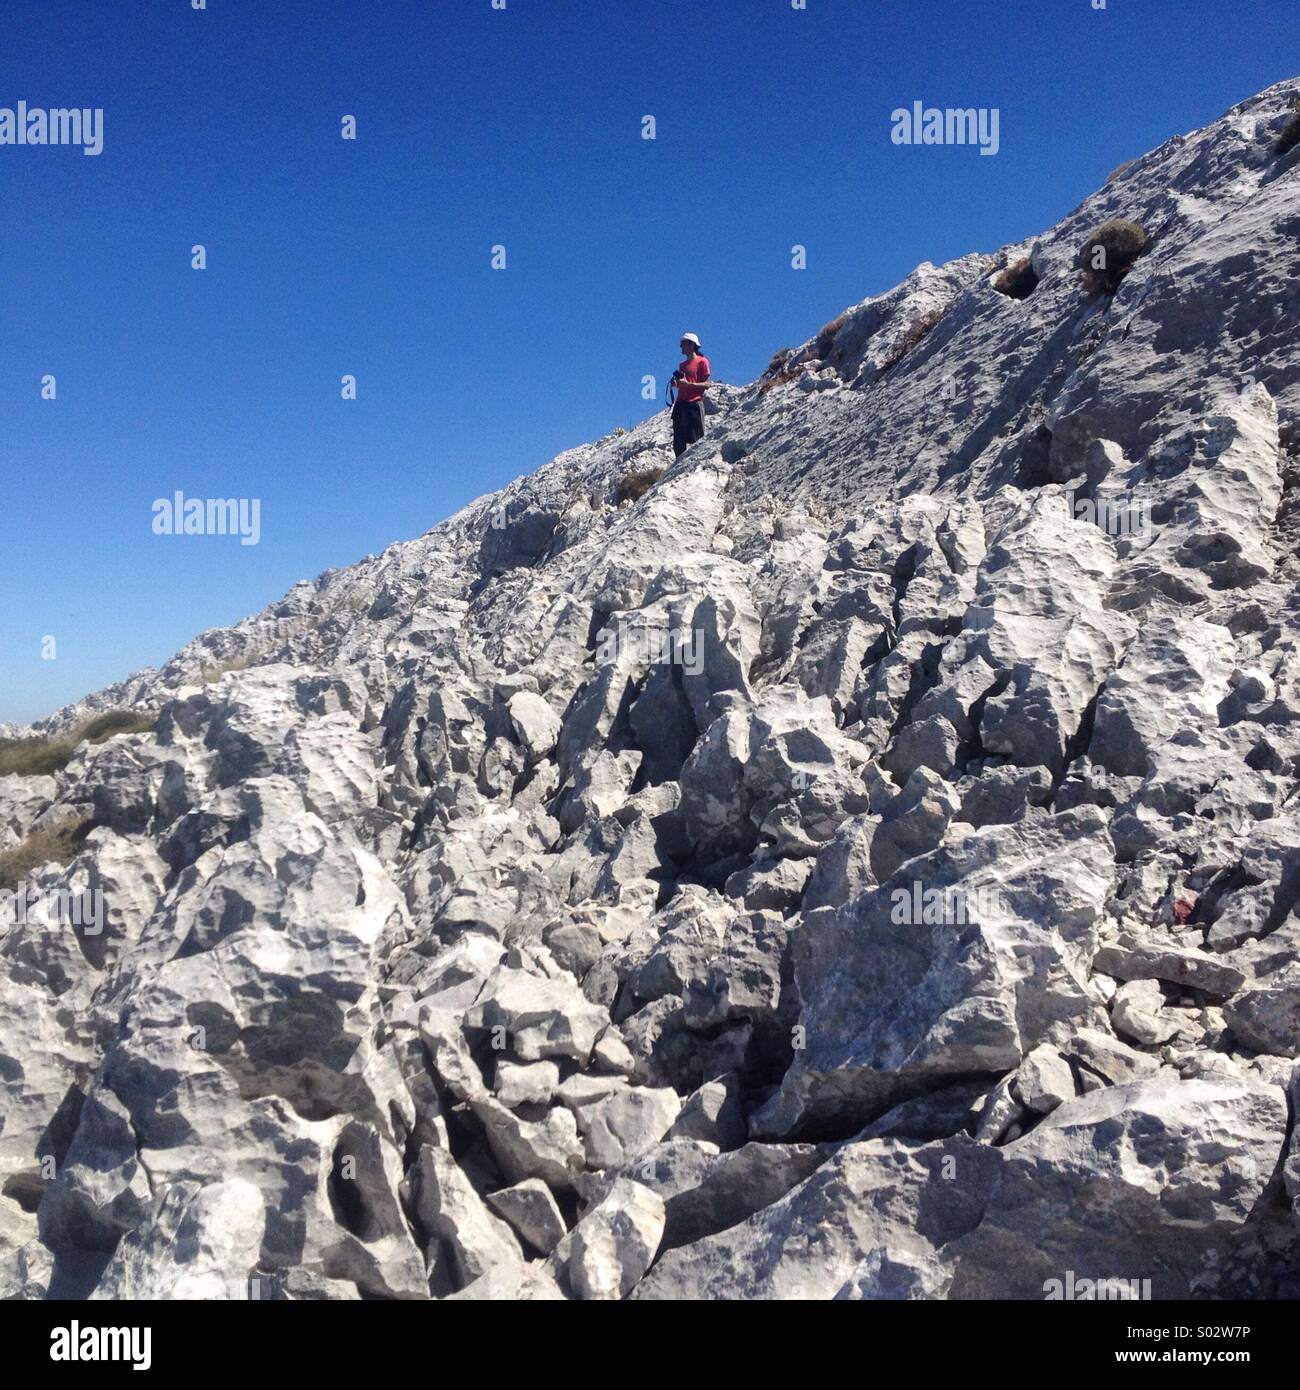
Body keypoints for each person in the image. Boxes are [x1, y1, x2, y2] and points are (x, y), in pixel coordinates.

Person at [671, 333, 710, 459]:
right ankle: (679, 464)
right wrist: (677, 384)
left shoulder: (702, 362)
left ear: (691, 345)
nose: (680, 346)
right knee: (678, 440)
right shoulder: (682, 365)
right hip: (680, 404)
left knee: (697, 438)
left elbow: (707, 384)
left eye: (683, 343)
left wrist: (689, 384)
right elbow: (683, 385)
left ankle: (699, 461)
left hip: (694, 404)